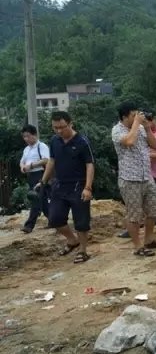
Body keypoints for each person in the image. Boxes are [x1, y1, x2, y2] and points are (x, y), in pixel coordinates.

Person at [36, 111, 94, 264]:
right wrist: (43, 181)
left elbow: (90, 164)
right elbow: (51, 162)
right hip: (59, 186)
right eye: (55, 128)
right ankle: (72, 240)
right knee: (55, 218)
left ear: (70, 124)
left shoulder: (82, 142)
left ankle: (83, 250)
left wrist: (88, 187)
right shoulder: (55, 141)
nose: (59, 131)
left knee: (81, 221)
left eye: (62, 127)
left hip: (78, 185)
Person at [112, 102, 156, 257]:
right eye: (133, 115)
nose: (137, 117)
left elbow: (155, 144)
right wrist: (136, 124)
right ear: (124, 117)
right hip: (130, 178)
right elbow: (129, 141)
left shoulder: (142, 128)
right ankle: (137, 246)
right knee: (134, 215)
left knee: (154, 210)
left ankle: (149, 240)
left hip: (146, 176)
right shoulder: (117, 130)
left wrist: (147, 127)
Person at [19, 124, 50, 233]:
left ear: (34, 135)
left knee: (35, 198)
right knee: (42, 200)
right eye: (24, 136)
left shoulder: (41, 146)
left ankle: (29, 225)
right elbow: (22, 161)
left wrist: (31, 165)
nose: (26, 139)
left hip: (40, 175)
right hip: (31, 176)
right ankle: (54, 220)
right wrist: (23, 166)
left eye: (28, 136)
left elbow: (46, 160)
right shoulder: (26, 149)